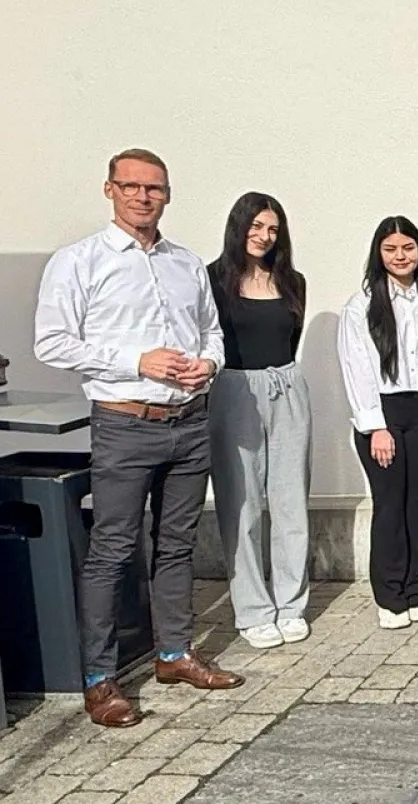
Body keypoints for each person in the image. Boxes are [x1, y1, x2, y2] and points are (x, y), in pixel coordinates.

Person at [34, 149, 242, 729]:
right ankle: (100, 680)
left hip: (188, 422)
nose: (143, 197)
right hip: (125, 422)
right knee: (113, 550)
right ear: (110, 190)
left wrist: (209, 364)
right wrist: (137, 361)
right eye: (132, 186)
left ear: (167, 195)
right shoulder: (79, 261)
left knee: (176, 545)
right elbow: (51, 342)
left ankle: (174, 654)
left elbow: (211, 333)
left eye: (155, 188)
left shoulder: (185, 263)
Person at [207, 192, 312, 650]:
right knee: (242, 504)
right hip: (235, 389)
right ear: (238, 227)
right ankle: (251, 609)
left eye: (271, 229)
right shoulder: (213, 279)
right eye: (255, 226)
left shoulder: (293, 281)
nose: (263, 236)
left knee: (291, 503)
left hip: (287, 387)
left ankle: (291, 603)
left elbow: (292, 336)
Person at [338, 216, 418, 630]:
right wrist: (374, 426)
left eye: (408, 248)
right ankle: (390, 596)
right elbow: (357, 367)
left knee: (417, 503)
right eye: (391, 249)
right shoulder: (362, 304)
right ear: (379, 255)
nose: (400, 256)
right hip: (382, 412)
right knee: (389, 505)